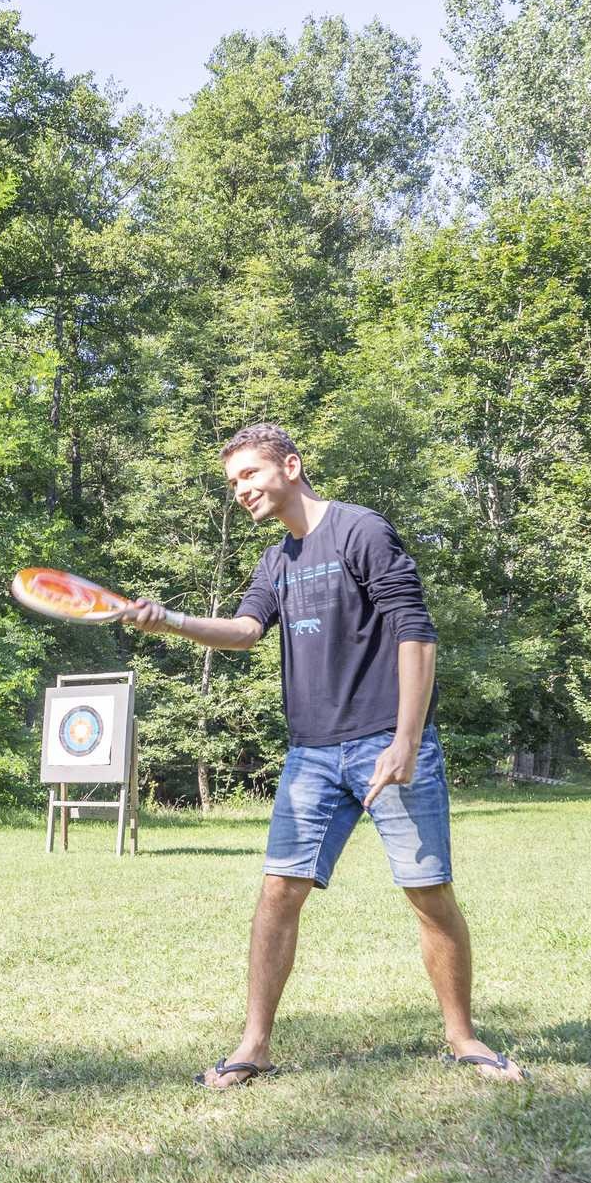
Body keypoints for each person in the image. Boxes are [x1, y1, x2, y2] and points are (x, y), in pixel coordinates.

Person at [116, 424, 524, 1087]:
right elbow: (247, 630)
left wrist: (407, 740)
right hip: (311, 753)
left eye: (249, 474)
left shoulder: (362, 531)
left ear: (292, 465)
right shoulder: (276, 561)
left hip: (386, 741)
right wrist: (170, 620)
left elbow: (415, 632)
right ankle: (254, 1046)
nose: (240, 490)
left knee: (427, 891)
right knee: (279, 890)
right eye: (233, 483)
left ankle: (462, 1036)